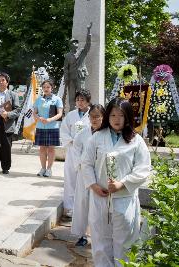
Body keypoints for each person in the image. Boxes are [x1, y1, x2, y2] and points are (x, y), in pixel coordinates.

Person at [81, 97, 151, 267]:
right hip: (100, 198)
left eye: (121, 115)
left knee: (124, 243)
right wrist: (94, 185)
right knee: (100, 242)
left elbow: (143, 168)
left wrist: (123, 183)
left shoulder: (136, 140)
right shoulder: (97, 137)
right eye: (112, 115)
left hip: (124, 199)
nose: (116, 119)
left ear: (128, 116)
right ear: (107, 117)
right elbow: (86, 163)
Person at [71, 104, 105, 247]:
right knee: (82, 203)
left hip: (101, 174)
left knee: (99, 204)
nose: (94, 119)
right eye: (92, 116)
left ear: (103, 117)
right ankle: (82, 234)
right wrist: (80, 165)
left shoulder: (107, 134)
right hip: (84, 174)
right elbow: (76, 149)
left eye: (97, 116)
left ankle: (101, 235)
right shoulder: (83, 133)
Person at [60, 90, 91, 218]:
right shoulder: (71, 115)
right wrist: (71, 140)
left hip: (87, 151)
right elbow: (64, 130)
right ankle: (70, 207)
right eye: (78, 99)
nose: (79, 102)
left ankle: (86, 206)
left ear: (88, 101)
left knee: (86, 178)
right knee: (70, 178)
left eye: (82, 99)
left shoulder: (92, 114)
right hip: (72, 150)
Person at [33, 79, 63, 177]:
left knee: (51, 149)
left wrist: (49, 120)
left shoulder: (57, 99)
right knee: (42, 149)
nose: (46, 89)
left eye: (48, 87)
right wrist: (39, 118)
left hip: (53, 127)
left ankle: (49, 169)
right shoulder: (38, 99)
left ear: (52, 88)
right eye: (44, 87)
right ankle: (43, 168)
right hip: (41, 127)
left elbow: (60, 114)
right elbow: (34, 113)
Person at [63, 23, 92, 111]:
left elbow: (88, 44)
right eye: (73, 42)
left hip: (80, 76)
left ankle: (83, 110)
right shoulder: (67, 55)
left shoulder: (82, 52)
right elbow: (66, 68)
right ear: (70, 45)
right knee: (71, 96)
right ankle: (72, 111)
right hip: (71, 78)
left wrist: (88, 31)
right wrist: (66, 79)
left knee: (82, 95)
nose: (75, 43)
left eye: (76, 42)